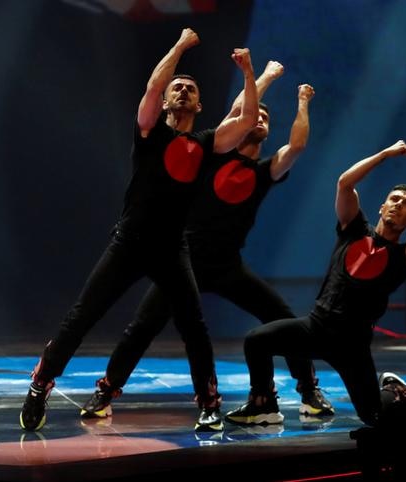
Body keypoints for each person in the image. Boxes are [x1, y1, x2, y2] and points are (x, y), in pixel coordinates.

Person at [19, 28, 259, 432]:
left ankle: (209, 403)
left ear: (199, 106)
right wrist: (181, 46)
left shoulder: (205, 144)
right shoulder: (149, 130)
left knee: (194, 328)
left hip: (170, 249)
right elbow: (153, 85)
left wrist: (250, 72)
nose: (182, 91)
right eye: (177, 87)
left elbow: (248, 119)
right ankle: (40, 384)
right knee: (82, 316)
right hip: (129, 241)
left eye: (190, 89)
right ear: (166, 100)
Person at [80, 61, 336, 428]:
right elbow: (239, 111)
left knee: (282, 318)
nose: (258, 120)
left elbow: (296, 146)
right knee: (142, 326)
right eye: (255, 115)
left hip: (228, 265)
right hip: (185, 259)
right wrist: (263, 76)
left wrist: (303, 102)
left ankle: (309, 391)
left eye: (265, 118)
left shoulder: (265, 172)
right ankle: (106, 392)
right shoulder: (214, 152)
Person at [227, 140, 406, 426]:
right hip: (316, 327)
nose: (398, 205)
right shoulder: (354, 230)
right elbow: (345, 183)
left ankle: (397, 392)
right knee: (256, 340)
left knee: (374, 417)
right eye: (394, 200)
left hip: (352, 346)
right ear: (382, 207)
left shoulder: (404, 255)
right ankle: (262, 404)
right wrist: (384, 153)